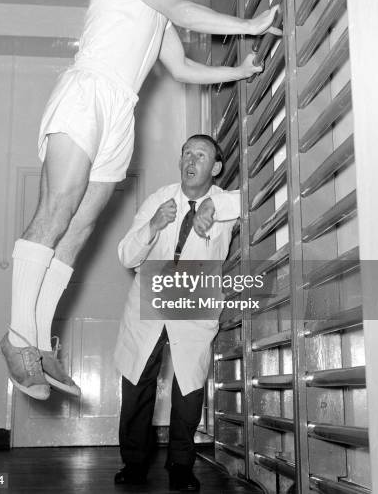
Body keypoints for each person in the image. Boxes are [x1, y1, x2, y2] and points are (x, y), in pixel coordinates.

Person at [0, 0, 280, 401]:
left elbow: (181, 68)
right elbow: (179, 6)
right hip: (88, 90)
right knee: (57, 211)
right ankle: (18, 338)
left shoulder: (148, 4)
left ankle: (40, 343)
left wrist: (237, 70)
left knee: (79, 230)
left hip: (120, 109)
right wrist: (248, 24)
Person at [114, 134, 240, 492]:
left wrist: (214, 209)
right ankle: (134, 464)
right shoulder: (160, 199)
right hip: (151, 298)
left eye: (200, 155)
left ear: (215, 167)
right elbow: (126, 255)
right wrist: (153, 226)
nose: (190, 159)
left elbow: (255, 197)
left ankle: (181, 467)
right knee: (137, 385)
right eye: (186, 152)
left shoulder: (225, 202)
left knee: (189, 389)